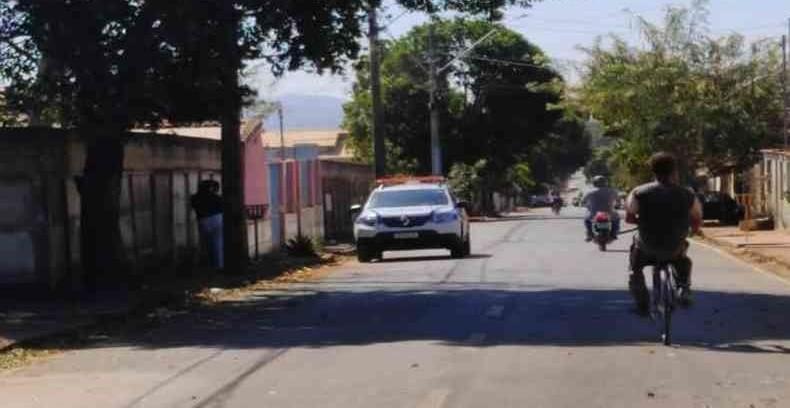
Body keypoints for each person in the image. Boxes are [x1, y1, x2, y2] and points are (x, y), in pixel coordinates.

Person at [625, 152, 703, 315]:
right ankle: (684, 288)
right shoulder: (688, 194)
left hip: (647, 246)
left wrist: (644, 221)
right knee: (683, 258)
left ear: (653, 171)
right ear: (674, 171)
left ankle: (642, 303)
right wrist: (693, 230)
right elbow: (696, 219)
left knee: (635, 268)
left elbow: (629, 218)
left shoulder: (639, 192)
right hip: (674, 247)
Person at [191, 180, 224, 269]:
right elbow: (223, 207)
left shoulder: (194, 198)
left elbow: (194, 206)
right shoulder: (215, 197)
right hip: (217, 219)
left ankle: (208, 264)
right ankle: (219, 265)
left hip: (202, 221)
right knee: (218, 244)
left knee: (206, 244)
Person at [581, 175, 620, 241]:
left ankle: (589, 233)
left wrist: (586, 205)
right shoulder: (612, 191)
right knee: (616, 219)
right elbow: (618, 200)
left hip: (593, 214)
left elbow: (583, 201)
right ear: (605, 183)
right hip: (609, 213)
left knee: (586, 219)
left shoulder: (590, 192)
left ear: (594, 183)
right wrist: (617, 204)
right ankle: (614, 233)